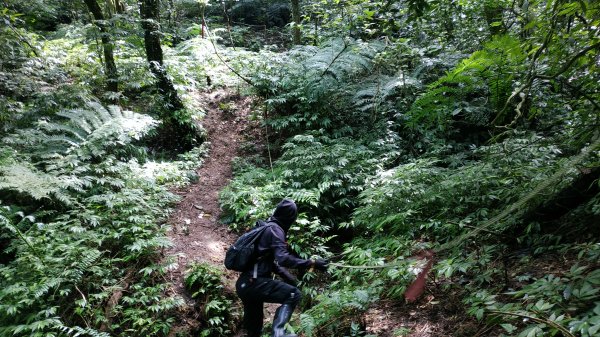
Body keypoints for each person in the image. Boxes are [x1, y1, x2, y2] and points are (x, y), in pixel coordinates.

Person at [235, 198, 328, 337]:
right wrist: (312, 263)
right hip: (255, 283)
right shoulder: (275, 230)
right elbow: (283, 258)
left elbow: (269, 263)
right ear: (289, 217)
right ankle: (279, 333)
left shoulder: (265, 227)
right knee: (293, 295)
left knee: (254, 331)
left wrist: (289, 278)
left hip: (245, 285)